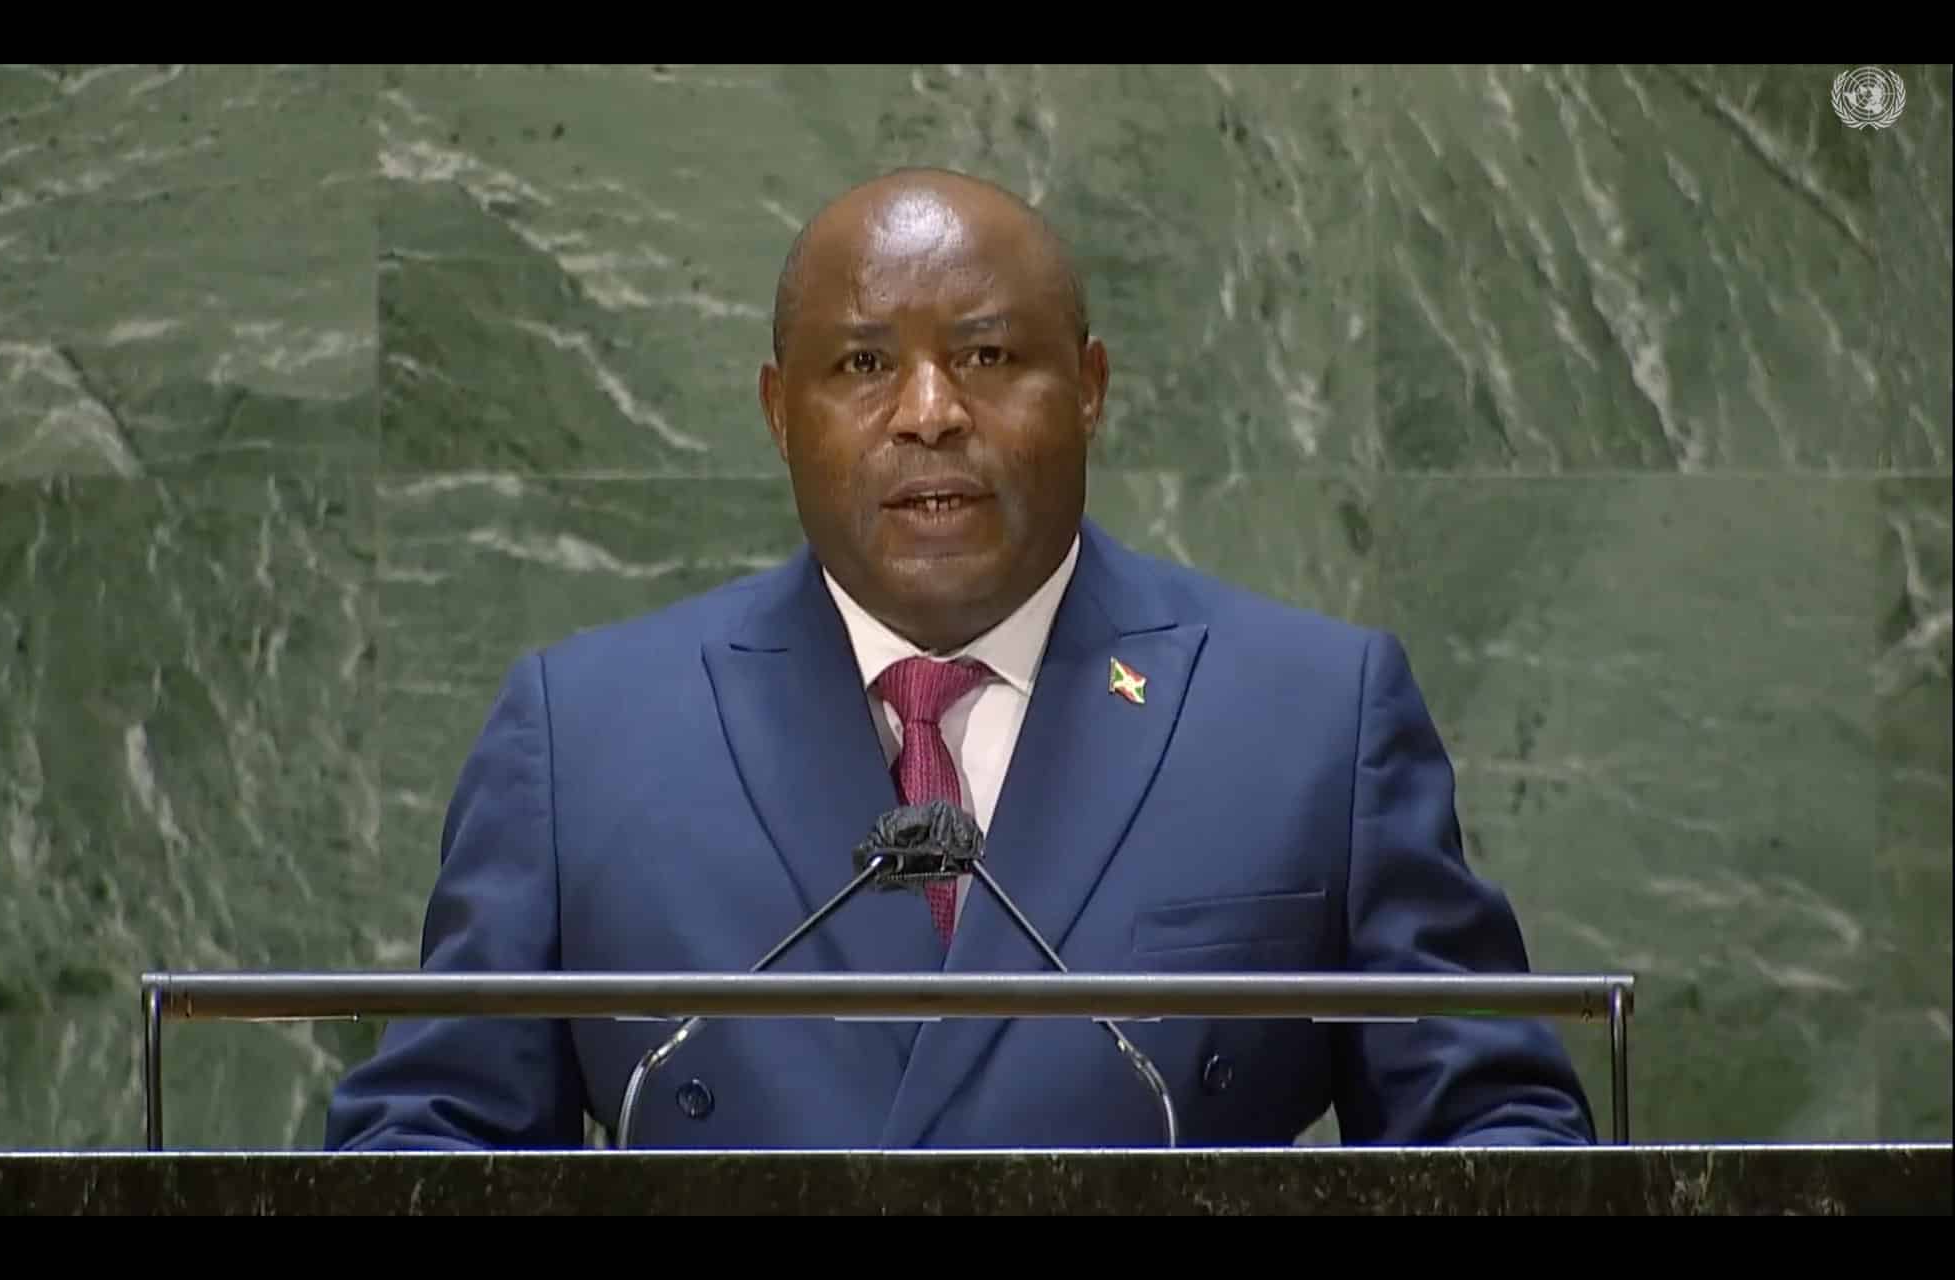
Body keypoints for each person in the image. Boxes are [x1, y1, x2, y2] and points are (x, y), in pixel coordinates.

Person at [324, 167, 1596, 1151]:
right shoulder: (585, 736)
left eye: (986, 356)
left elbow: (1495, 1134)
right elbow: (427, 1144)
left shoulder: (1308, 716)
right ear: (779, 412)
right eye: (862, 364)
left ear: (1087, 387)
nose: (928, 411)